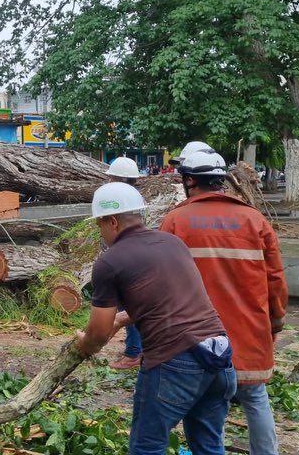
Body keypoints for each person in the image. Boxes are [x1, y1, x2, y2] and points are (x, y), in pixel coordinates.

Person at [76, 183, 236, 455]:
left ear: (112, 221)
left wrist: (84, 346)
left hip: (175, 365)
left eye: (99, 225)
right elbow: (168, 302)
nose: (100, 232)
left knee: (146, 447)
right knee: (209, 447)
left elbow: (98, 333)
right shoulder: (172, 243)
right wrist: (122, 320)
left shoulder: (109, 261)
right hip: (219, 358)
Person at [161, 147, 288, 455]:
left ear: (189, 181)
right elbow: (275, 279)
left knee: (203, 404)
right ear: (221, 181)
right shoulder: (254, 220)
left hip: (196, 338)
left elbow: (162, 283)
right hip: (248, 330)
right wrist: (275, 320)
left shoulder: (175, 221)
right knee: (255, 396)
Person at [102, 156, 144, 370]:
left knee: (127, 309)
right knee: (135, 308)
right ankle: (138, 349)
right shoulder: (136, 198)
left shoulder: (116, 199)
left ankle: (133, 353)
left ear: (117, 178)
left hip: (124, 259)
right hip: (136, 257)